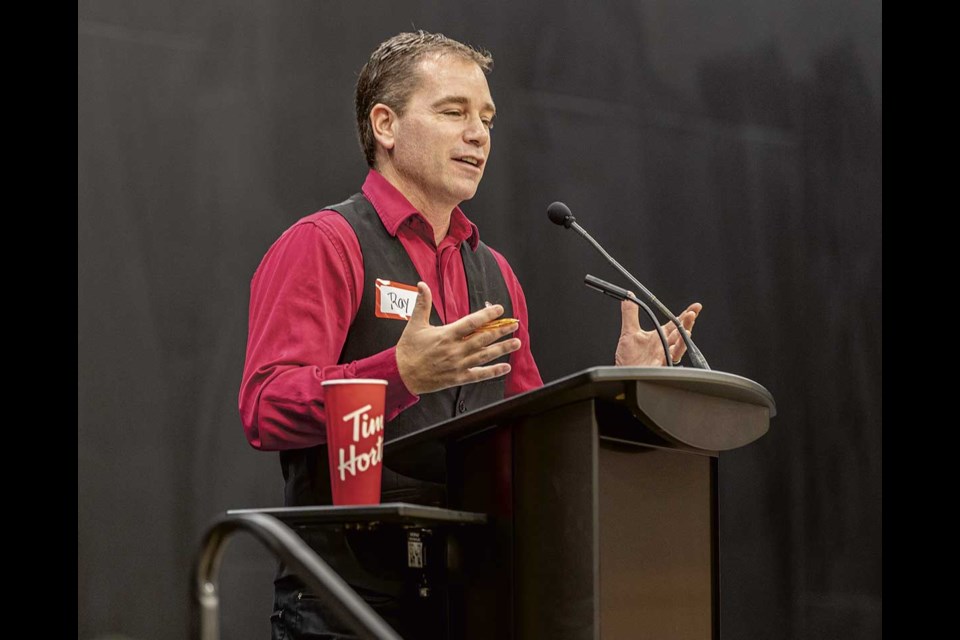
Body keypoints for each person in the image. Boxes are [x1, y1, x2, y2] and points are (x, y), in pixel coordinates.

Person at [239, 30, 701, 640]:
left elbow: (526, 436)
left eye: (486, 117)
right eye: (453, 112)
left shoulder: (496, 274)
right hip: (344, 600)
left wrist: (620, 394)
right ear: (386, 125)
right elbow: (266, 406)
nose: (479, 133)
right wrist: (399, 376)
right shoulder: (326, 244)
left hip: (473, 597)